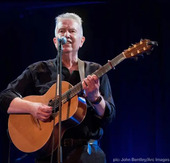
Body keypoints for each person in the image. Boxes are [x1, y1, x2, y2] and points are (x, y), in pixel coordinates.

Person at [0, 12, 115, 163]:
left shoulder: (94, 71)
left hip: (88, 155)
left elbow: (108, 117)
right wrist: (33, 108)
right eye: (61, 31)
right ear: (55, 41)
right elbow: (4, 97)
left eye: (72, 31)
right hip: (48, 154)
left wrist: (95, 98)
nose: (66, 34)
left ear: (82, 41)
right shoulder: (38, 70)